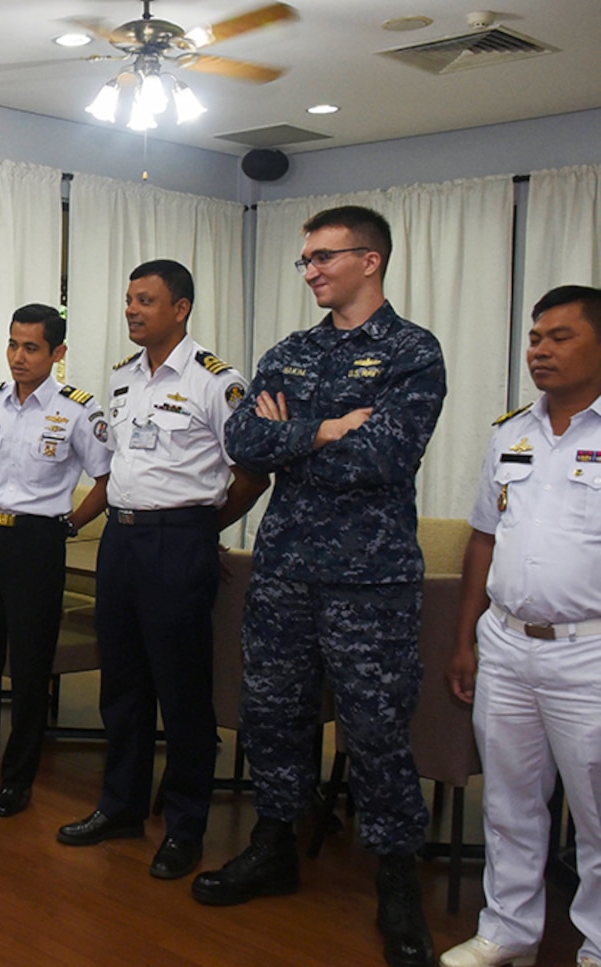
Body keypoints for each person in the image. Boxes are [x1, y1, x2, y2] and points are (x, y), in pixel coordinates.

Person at [196, 206, 446, 967]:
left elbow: (385, 459)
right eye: (304, 260)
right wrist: (325, 429)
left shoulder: (411, 352)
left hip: (369, 582)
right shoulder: (291, 350)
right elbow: (242, 440)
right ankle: (275, 845)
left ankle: (398, 880)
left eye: (322, 257)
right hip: (284, 572)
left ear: (370, 261)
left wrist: (293, 437)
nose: (309, 271)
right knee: (272, 717)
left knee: (375, 733)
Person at [56, 261, 268, 878]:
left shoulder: (217, 383)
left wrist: (203, 531)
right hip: (120, 542)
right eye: (128, 300)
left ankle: (184, 827)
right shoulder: (124, 379)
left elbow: (252, 472)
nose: (131, 310)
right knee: (121, 686)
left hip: (178, 544)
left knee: (181, 694)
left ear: (181, 309)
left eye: (145, 301)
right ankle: (119, 807)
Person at [441, 285, 601, 967]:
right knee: (508, 800)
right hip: (505, 642)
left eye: (560, 336)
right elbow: (483, 538)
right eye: (536, 337)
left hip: (588, 650)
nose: (540, 349)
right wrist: (465, 636)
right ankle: (508, 929)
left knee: (596, 813)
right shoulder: (513, 431)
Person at [0, 303, 110, 817]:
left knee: (31, 665)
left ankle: (18, 778)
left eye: (31, 347)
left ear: (57, 353)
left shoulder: (78, 410)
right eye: (13, 344)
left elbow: (106, 479)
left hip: (39, 542)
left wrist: (71, 525)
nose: (18, 357)